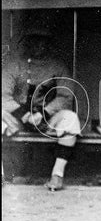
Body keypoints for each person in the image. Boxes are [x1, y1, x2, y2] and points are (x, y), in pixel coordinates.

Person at [2, 26, 81, 191]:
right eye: (33, 41)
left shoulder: (58, 66)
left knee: (70, 119)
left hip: (47, 119)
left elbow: (65, 96)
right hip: (18, 119)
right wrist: (24, 114)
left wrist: (43, 113)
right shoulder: (14, 65)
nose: (37, 45)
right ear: (27, 43)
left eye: (42, 41)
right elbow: (3, 95)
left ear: (48, 44)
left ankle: (57, 175)